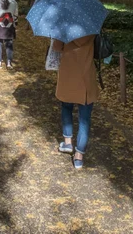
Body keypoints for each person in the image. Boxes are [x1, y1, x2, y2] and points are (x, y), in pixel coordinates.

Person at [52, 35, 99, 169]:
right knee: (84, 119)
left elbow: (56, 47)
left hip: (68, 75)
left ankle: (68, 142)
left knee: (66, 108)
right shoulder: (91, 28)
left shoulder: (64, 28)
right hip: (86, 77)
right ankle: (79, 157)